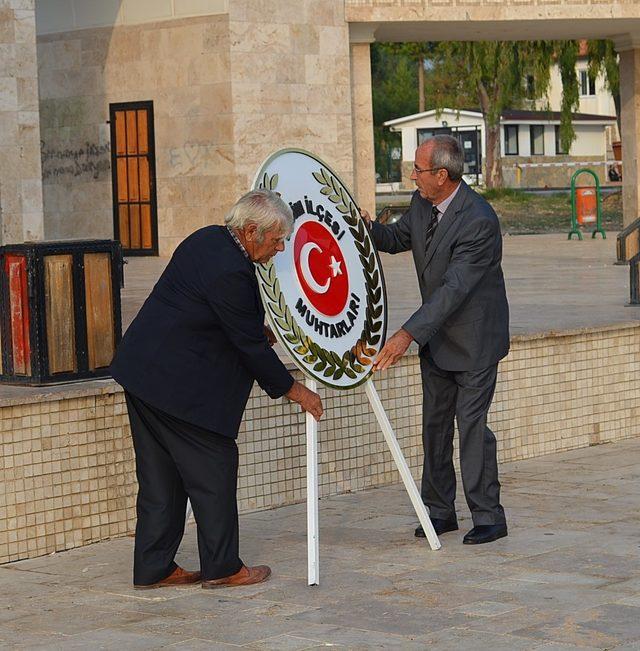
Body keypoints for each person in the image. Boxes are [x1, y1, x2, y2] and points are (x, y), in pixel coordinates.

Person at [110, 190, 323, 589]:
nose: (280, 247)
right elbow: (250, 348)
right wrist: (297, 391)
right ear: (251, 230)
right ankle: (223, 567)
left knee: (161, 478)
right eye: (277, 239)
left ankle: (154, 566)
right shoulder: (231, 270)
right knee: (214, 468)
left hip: (144, 374)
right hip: (176, 386)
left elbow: (204, 309)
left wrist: (249, 329)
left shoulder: (209, 238)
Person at [362, 135, 509, 545]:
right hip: (438, 340)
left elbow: (453, 289)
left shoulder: (479, 220)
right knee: (435, 427)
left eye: (419, 170)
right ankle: (439, 511)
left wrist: (406, 334)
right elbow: (397, 240)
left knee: (472, 427)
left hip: (476, 341)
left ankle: (489, 516)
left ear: (442, 176)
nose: (412, 176)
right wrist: (367, 228)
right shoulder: (421, 203)